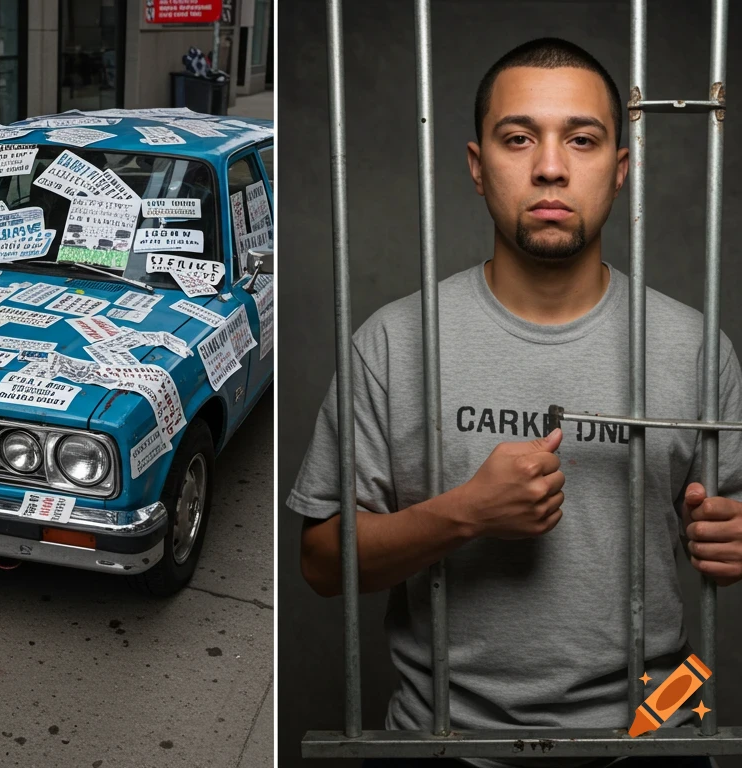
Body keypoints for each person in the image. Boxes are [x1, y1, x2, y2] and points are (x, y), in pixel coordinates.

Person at [288, 38, 742, 768]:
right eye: (519, 137)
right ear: (476, 166)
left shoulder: (692, 344)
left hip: (653, 737)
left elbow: (733, 523)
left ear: (621, 170)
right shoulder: (394, 342)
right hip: (441, 745)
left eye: (583, 139)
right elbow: (317, 565)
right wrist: (465, 512)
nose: (551, 167)